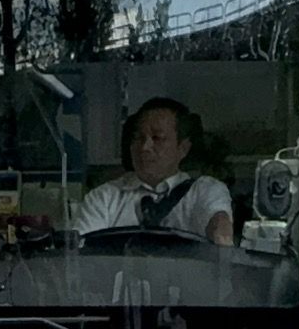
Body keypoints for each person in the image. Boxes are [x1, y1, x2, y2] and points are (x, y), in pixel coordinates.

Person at [71, 97, 235, 246]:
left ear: (183, 148)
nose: (145, 148)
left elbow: (220, 227)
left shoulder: (204, 191)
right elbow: (79, 255)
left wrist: (220, 232)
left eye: (157, 138)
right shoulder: (104, 198)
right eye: (138, 138)